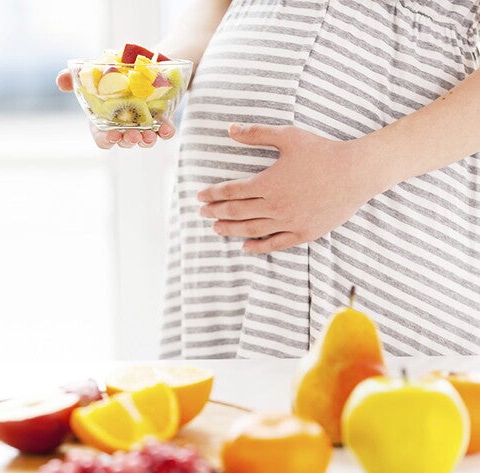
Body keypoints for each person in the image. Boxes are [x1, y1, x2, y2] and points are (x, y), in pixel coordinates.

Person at [57, 0, 480, 359]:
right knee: (228, 430)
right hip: (219, 251)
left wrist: (359, 170)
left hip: (379, 206)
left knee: (373, 427)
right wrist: (149, 79)